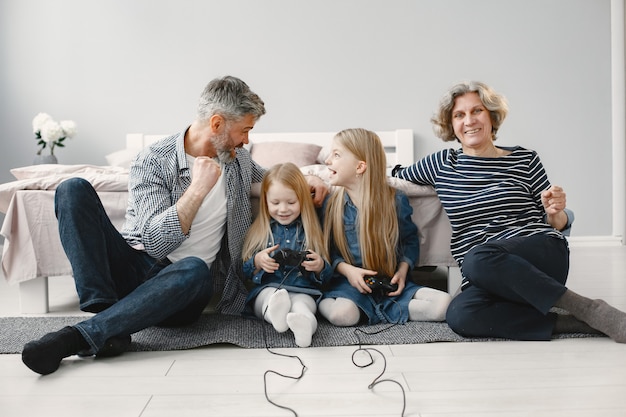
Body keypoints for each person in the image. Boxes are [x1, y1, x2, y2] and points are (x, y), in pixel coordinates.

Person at [21, 75, 329, 375]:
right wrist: (197, 190)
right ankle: (106, 319)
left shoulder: (238, 159)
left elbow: (274, 181)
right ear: (217, 124)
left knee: (195, 268)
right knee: (71, 189)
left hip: (184, 288)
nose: (247, 140)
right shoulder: (154, 160)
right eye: (244, 130)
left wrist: (308, 178)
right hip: (137, 267)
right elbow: (155, 243)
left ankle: (77, 337)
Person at [393, 80, 626, 342]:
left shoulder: (524, 159)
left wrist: (556, 210)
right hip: (484, 271)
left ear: (491, 116)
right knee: (460, 314)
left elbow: (556, 223)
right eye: (459, 115)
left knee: (477, 258)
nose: (469, 120)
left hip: (538, 250)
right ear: (451, 126)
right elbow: (394, 177)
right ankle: (576, 322)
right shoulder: (441, 164)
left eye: (477, 111)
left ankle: (588, 308)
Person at [319, 128, 452, 327]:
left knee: (443, 304)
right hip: (349, 284)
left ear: (360, 166)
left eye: (336, 155)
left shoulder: (396, 200)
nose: (328, 161)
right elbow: (327, 251)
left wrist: (403, 270)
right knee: (342, 316)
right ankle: (318, 302)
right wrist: (349, 271)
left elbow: (409, 240)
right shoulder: (331, 204)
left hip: (388, 283)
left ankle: (376, 309)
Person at [242, 163, 333, 347]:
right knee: (269, 297)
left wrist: (320, 266)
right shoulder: (261, 231)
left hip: (303, 290)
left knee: (303, 306)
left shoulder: (312, 232)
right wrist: (258, 261)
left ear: (303, 200)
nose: (283, 209)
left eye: (291, 202)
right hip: (269, 288)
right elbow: (244, 271)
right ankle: (278, 317)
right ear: (265, 201)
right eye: (275, 203)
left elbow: (328, 275)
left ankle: (304, 327)